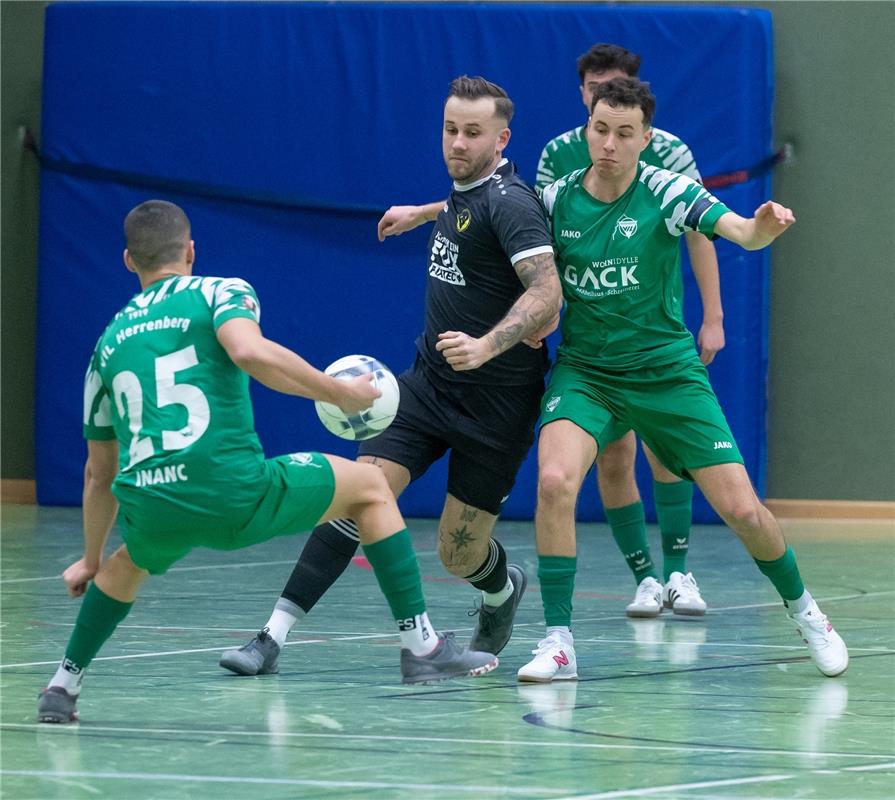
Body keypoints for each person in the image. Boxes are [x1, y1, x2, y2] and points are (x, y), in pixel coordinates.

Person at [36, 200, 500, 724]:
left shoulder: (106, 345)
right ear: (191, 251)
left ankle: (62, 686)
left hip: (152, 506)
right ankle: (421, 648)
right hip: (233, 490)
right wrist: (340, 393)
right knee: (370, 486)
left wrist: (91, 559)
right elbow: (250, 353)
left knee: (126, 565)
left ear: (128, 261)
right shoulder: (219, 292)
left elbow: (99, 472)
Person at [218, 76, 562, 676]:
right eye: (450, 129)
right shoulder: (469, 192)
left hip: (497, 408)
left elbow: (548, 292)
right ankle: (270, 638)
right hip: (427, 386)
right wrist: (420, 213)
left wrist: (485, 346)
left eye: (472, 133)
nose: (457, 142)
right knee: (356, 494)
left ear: (502, 138)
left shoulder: (513, 204)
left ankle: (503, 590)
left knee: (459, 555)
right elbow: (465, 207)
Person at [516, 77, 848, 682]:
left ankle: (808, 613)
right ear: (586, 128)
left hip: (668, 372)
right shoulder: (557, 198)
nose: (609, 144)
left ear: (646, 139)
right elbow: (493, 219)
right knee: (554, 481)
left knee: (744, 510)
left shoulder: (666, 189)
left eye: (624, 134)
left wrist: (762, 226)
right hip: (588, 373)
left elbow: (740, 232)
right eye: (600, 130)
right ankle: (558, 641)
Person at [536, 43, 725, 618]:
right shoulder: (558, 156)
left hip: (655, 328)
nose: (605, 100)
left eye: (616, 87)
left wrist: (712, 317)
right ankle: (644, 577)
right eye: (595, 91)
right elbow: (537, 246)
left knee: (666, 452)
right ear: (584, 96)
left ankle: (678, 571)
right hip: (592, 342)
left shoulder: (670, 153)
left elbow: (699, 230)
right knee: (613, 457)